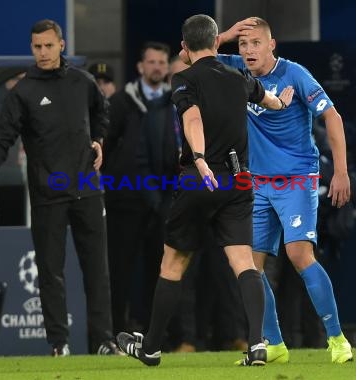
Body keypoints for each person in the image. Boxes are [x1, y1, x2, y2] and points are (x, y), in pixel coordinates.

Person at [116, 14, 293, 367]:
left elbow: (192, 118)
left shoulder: (184, 78)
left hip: (201, 179)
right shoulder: (239, 77)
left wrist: (198, 157)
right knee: (244, 263)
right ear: (216, 44)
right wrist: (282, 103)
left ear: (183, 48)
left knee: (173, 263)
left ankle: (150, 347)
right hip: (239, 181)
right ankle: (257, 344)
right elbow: (268, 99)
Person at [0, 19, 119, 357]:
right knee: (50, 272)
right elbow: (0, 139)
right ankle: (59, 343)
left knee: (97, 270)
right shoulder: (24, 92)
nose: (43, 52)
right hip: (48, 194)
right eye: (37, 47)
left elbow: (101, 111)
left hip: (88, 190)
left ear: (61, 45)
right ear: (32, 48)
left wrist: (98, 139)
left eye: (49, 45)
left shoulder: (83, 81)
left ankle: (104, 341)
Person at [215, 17, 354, 364]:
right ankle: (274, 344)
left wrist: (340, 172)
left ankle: (337, 339)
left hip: (296, 179)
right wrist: (225, 36)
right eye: (243, 45)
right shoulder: (234, 69)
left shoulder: (295, 74)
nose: (248, 51)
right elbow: (190, 57)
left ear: (271, 45)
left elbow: (332, 117)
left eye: (255, 43)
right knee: (250, 266)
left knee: (299, 255)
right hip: (257, 184)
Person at [102, 41, 180, 335]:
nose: (157, 67)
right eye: (152, 62)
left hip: (164, 203)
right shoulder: (121, 102)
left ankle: (156, 336)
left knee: (161, 271)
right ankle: (115, 333)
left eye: (162, 62)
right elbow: (105, 147)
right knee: (120, 270)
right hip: (127, 199)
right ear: (140, 67)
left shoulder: (176, 103)